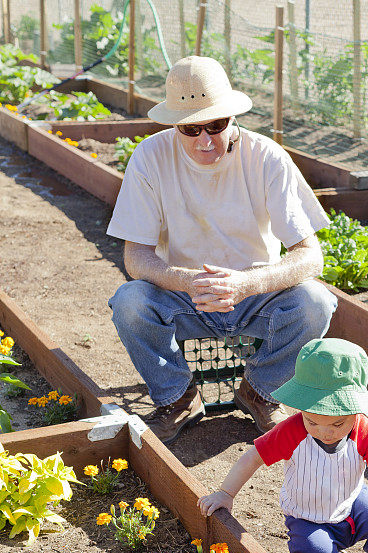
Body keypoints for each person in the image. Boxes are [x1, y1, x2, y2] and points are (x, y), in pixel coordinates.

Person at [106, 55, 337, 443]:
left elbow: (311, 255)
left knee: (316, 302)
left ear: (232, 117)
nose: (205, 140)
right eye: (191, 129)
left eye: (215, 124)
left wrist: (247, 283)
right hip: (185, 297)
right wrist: (185, 279)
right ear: (174, 124)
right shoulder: (150, 157)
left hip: (255, 296)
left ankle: (260, 391)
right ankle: (178, 397)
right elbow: (136, 258)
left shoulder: (265, 157)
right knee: (130, 303)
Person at [198, 338, 368, 553]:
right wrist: (226, 493)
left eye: (337, 425)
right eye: (313, 421)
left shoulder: (363, 428)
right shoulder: (291, 431)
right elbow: (252, 457)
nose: (325, 432)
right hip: (307, 514)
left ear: (355, 410)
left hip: (352, 501)